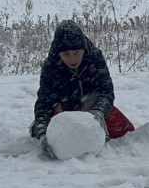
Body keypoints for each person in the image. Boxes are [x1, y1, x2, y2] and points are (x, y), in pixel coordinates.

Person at [30, 20, 135, 155]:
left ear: (84, 49)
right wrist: (42, 133)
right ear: (58, 53)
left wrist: (100, 111)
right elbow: (44, 103)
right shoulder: (50, 67)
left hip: (93, 106)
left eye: (77, 52)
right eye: (66, 54)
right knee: (58, 140)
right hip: (64, 110)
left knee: (128, 133)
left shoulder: (95, 58)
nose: (73, 59)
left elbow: (106, 91)